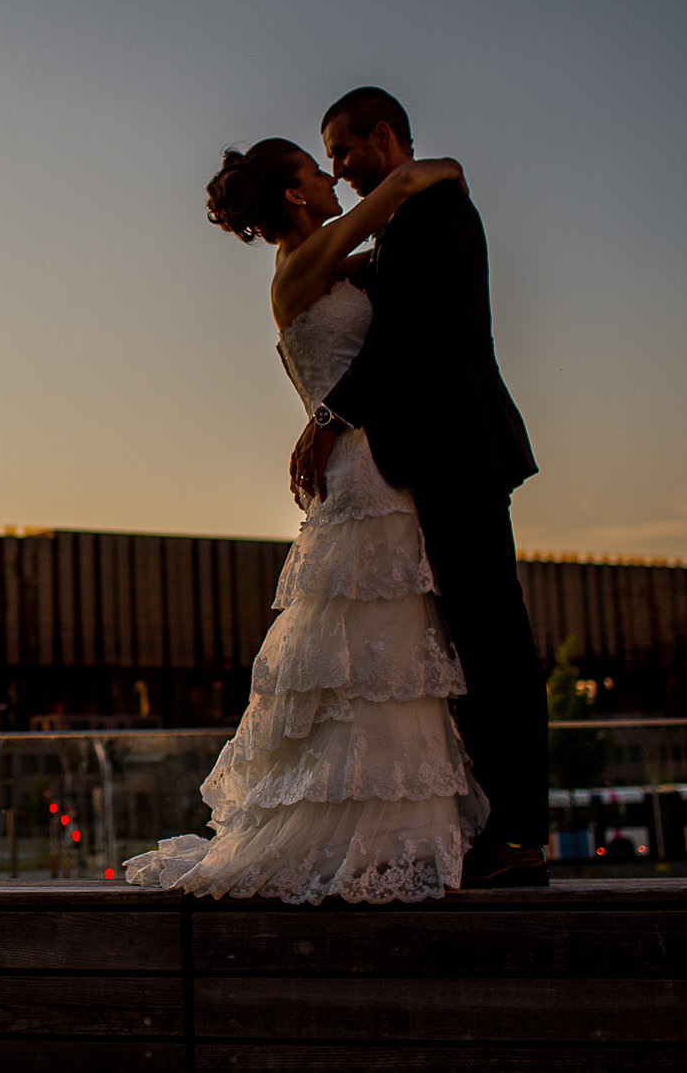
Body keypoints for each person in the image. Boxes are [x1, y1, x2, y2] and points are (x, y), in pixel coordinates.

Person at [123, 134, 486, 903]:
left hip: (356, 461)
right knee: (377, 650)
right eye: (319, 172)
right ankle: (377, 838)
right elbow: (397, 193)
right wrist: (449, 171)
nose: (333, 179)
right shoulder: (311, 257)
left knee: (373, 653)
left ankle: (385, 834)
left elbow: (389, 269)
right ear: (295, 195)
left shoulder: (307, 268)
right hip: (363, 471)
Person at [296, 86, 545, 888]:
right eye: (325, 157)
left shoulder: (433, 210)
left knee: (494, 645)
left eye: (343, 149)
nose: (337, 165)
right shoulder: (405, 219)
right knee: (465, 649)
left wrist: (331, 412)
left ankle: (522, 834)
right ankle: (493, 827)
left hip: (462, 453)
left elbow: (409, 329)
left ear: (383, 134)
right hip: (433, 460)